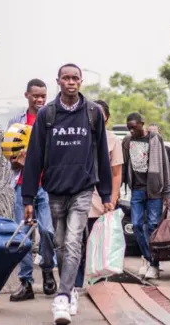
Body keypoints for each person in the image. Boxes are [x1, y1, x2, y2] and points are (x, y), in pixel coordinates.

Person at [21, 63, 113, 324]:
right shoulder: (47, 114)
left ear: (81, 82)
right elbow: (34, 157)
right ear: (58, 81)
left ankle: (61, 297)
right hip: (55, 190)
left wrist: (106, 194)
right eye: (66, 78)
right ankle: (70, 288)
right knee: (61, 244)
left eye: (75, 78)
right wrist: (28, 197)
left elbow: (102, 157)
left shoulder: (93, 113)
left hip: (83, 189)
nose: (70, 82)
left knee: (73, 241)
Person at [6, 78, 57, 302]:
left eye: (43, 96)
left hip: (46, 186)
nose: (39, 99)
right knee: (24, 237)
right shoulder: (16, 122)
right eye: (36, 95)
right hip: (21, 185)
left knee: (48, 231)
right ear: (27, 95)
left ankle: (47, 269)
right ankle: (26, 282)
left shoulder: (52, 120)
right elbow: (10, 158)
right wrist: (18, 160)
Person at [74, 100, 123, 289]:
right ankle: (76, 283)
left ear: (107, 119)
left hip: (102, 200)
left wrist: (112, 198)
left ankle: (99, 283)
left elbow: (116, 173)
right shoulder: (79, 136)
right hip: (78, 196)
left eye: (100, 117)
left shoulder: (112, 140)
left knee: (100, 242)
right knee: (77, 242)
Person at [122, 113, 170, 280]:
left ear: (142, 124)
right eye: (129, 127)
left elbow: (164, 166)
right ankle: (149, 258)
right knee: (136, 225)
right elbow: (124, 165)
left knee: (152, 227)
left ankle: (154, 265)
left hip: (154, 191)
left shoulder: (155, 139)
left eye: (134, 127)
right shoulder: (128, 141)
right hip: (136, 190)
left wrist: (167, 193)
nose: (131, 130)